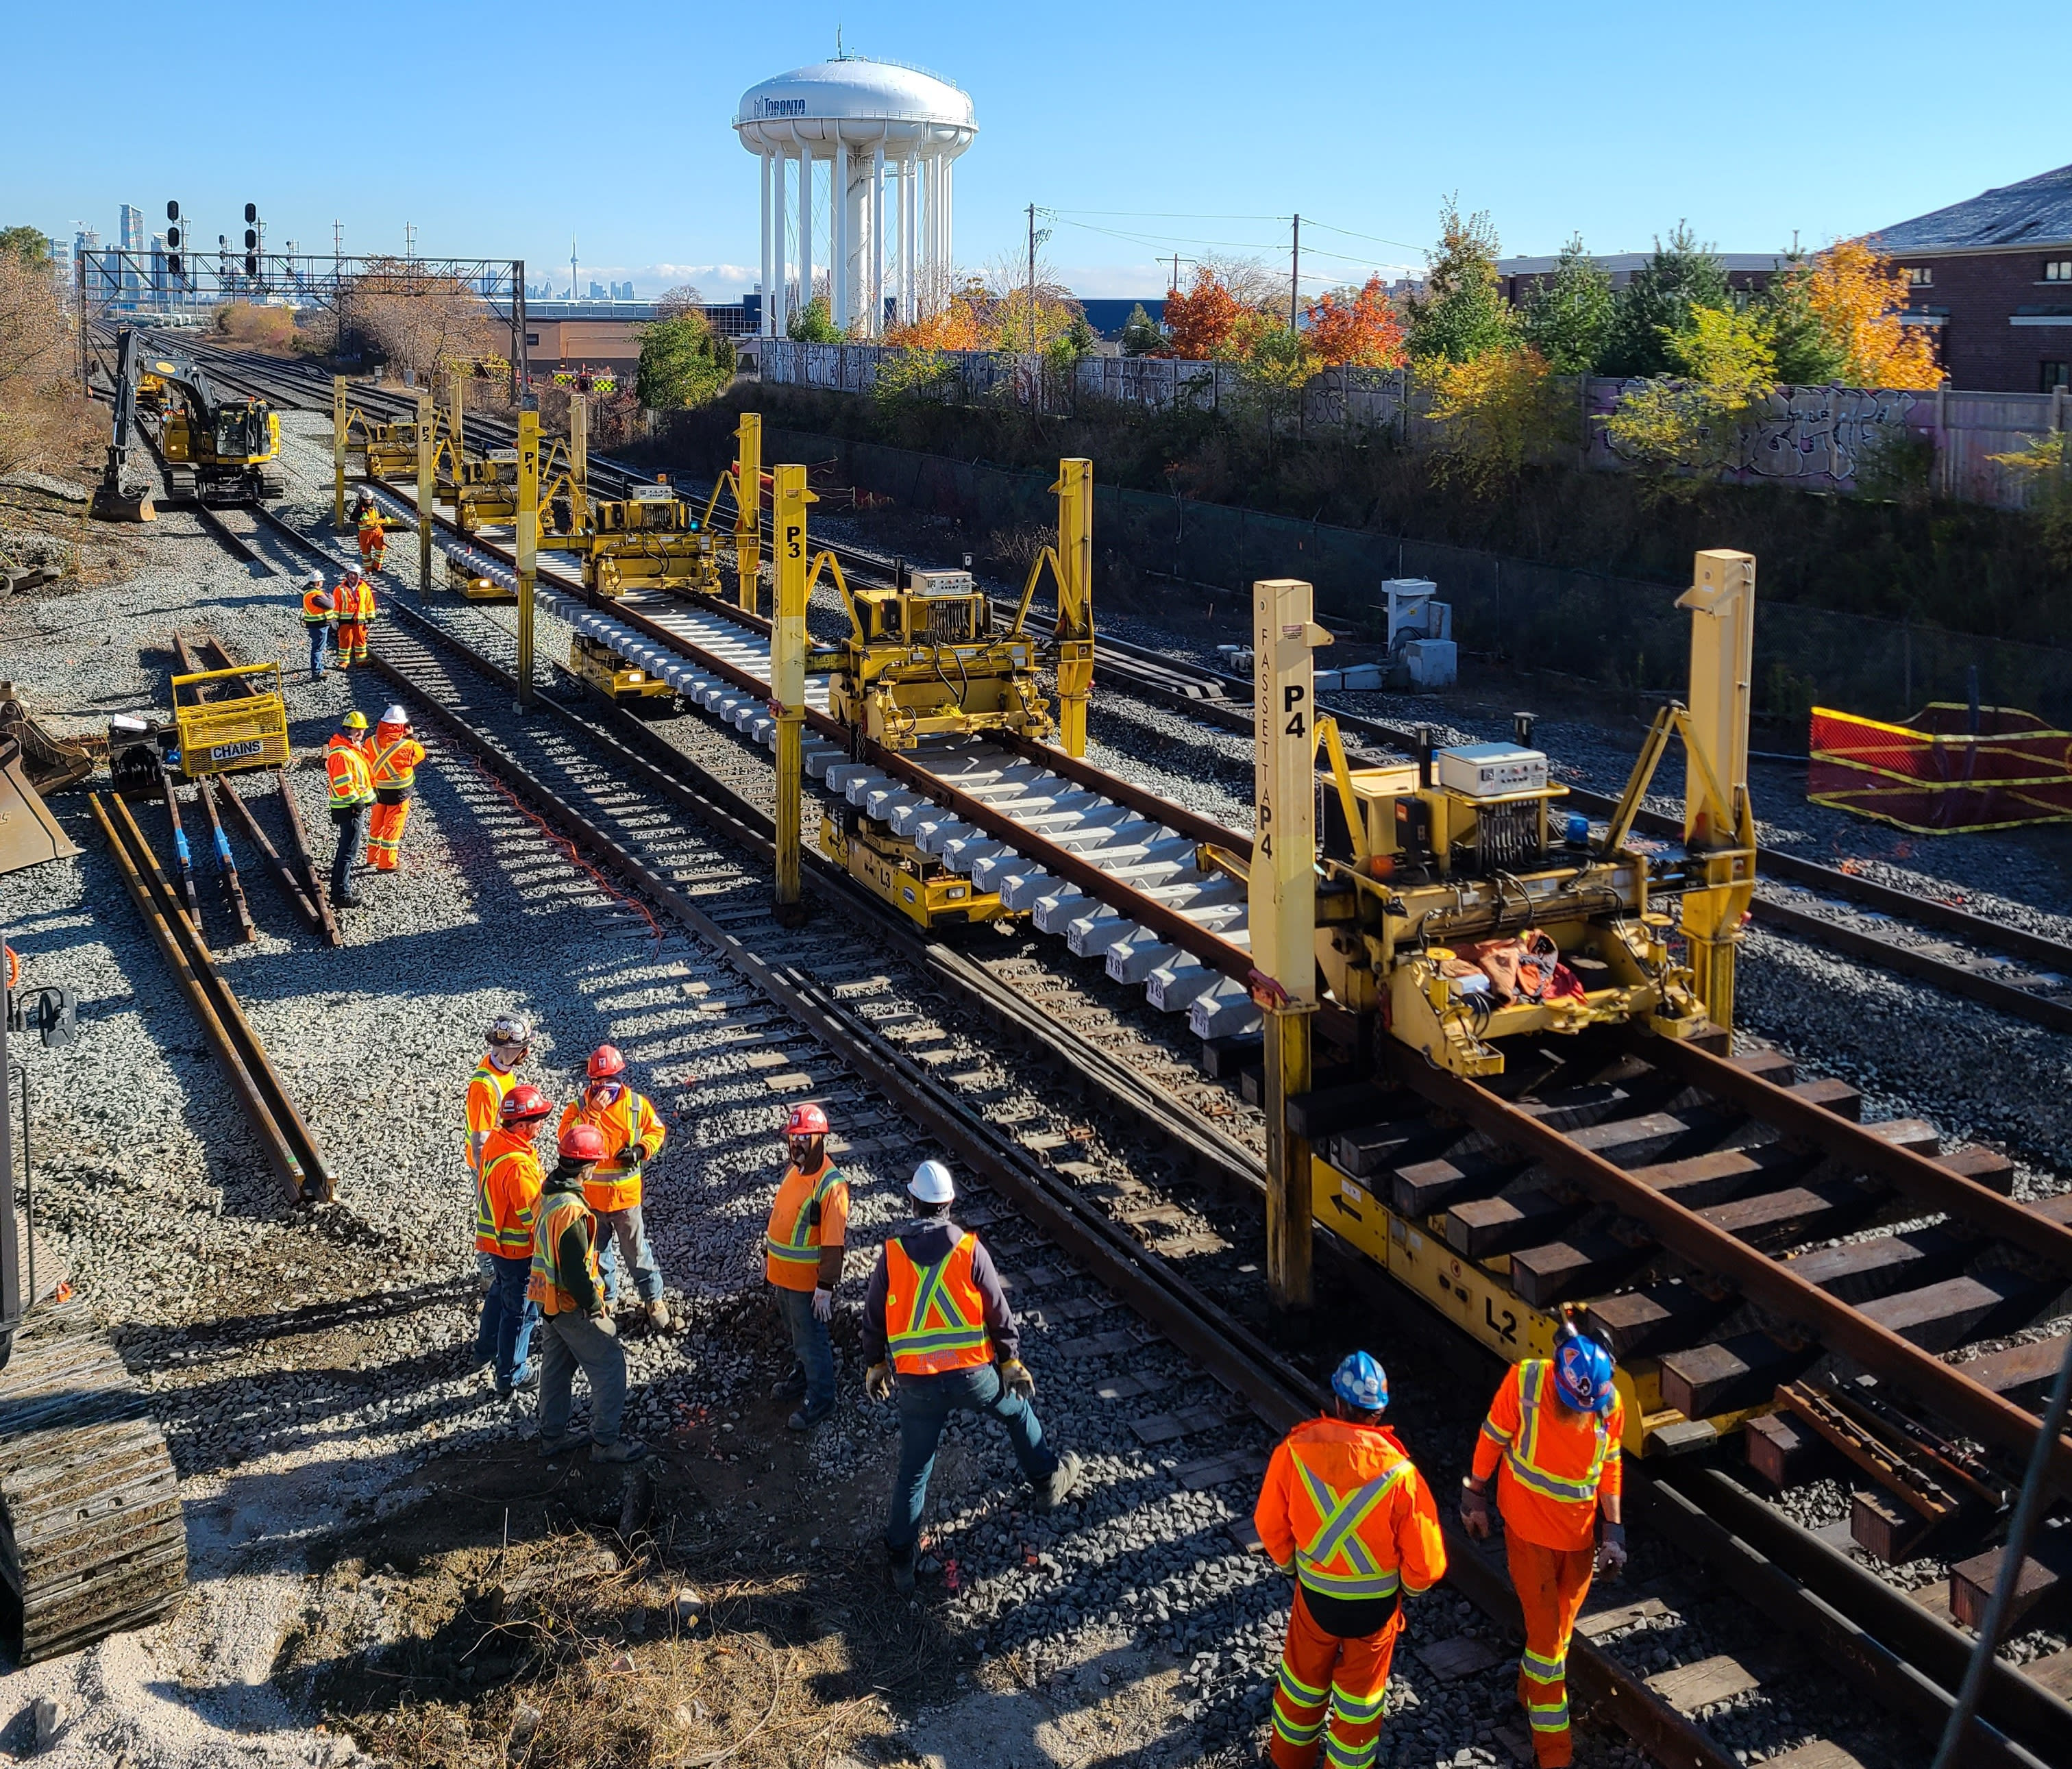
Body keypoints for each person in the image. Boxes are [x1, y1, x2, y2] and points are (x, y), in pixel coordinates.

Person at [863, 1159, 1082, 1592]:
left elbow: (872, 1319)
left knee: (914, 1472)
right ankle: (1047, 1483)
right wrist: (1010, 1360)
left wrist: (876, 1364)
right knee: (1017, 1413)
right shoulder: (969, 1249)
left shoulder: (891, 1255)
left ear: (913, 1202)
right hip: (972, 1377)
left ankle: (902, 1562)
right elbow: (998, 1311)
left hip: (918, 1385)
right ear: (948, 1204)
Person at [1254, 1352, 1447, 1769]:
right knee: (1360, 1707)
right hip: (1375, 1613)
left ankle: (1289, 1761)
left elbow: (1269, 1524)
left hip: (1316, 1601)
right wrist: (1405, 1591)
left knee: (1301, 1689)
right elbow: (1428, 1565)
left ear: (1338, 1403)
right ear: (1379, 1412)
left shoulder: (1294, 1451)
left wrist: (1293, 1569)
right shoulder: (1402, 1475)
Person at [1462, 1324, 1627, 1769]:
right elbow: (1493, 1435)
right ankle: (1555, 1755)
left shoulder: (1609, 1402)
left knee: (1560, 1633)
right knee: (1548, 1647)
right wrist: (1473, 1493)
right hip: (1529, 1534)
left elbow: (1610, 1462)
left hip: (1578, 1541)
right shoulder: (1527, 1381)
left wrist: (1614, 1530)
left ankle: (1526, 1694)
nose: (1579, 1412)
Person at [530, 1119, 648, 1463]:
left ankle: (552, 1437)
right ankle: (605, 1443)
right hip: (568, 1303)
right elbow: (576, 1273)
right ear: (588, 1166)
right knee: (610, 1364)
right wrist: (596, 1308)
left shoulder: (549, 1192)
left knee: (556, 1366)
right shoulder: (572, 1211)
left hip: (546, 1299)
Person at [559, 1044, 670, 1331]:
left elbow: (656, 1130)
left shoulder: (636, 1105)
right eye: (599, 1080)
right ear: (591, 1081)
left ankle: (653, 1297)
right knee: (598, 1254)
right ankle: (607, 1298)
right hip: (591, 1201)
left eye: (611, 1079)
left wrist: (641, 1150)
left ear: (621, 1076)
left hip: (626, 1199)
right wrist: (594, 1113)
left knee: (637, 1252)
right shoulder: (579, 1109)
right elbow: (567, 1137)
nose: (605, 1086)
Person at [762, 1102, 849, 1431]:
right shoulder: (794, 1172)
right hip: (783, 1277)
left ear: (820, 1139)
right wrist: (768, 1257)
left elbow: (833, 1243)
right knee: (798, 1335)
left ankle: (822, 1397)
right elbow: (782, 1220)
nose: (796, 1143)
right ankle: (804, 1374)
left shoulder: (831, 1185)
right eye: (793, 1137)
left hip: (805, 1285)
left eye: (804, 1137)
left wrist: (825, 1287)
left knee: (812, 1339)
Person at [473, 1082, 552, 1398]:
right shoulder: (518, 1167)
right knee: (522, 1311)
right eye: (538, 1119)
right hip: (518, 1249)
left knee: (499, 1294)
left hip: (497, 1244)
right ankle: (511, 1374)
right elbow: (532, 1217)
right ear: (521, 1126)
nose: (543, 1123)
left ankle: (485, 1349)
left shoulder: (498, 1141)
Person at [467, 1014, 533, 1176]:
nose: (527, 1052)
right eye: (523, 1048)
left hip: (501, 1155)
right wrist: (490, 1177)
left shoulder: (500, 1068)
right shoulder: (484, 1087)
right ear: (509, 1050)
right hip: (490, 1164)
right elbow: (480, 1142)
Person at [365, 705, 426, 874]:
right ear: (402, 726)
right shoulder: (409, 746)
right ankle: (387, 862)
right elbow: (421, 755)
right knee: (393, 826)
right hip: (398, 794)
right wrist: (411, 737)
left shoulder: (370, 742)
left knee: (377, 823)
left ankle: (372, 857)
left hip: (376, 792)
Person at [323, 710, 375, 909]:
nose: (362, 733)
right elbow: (344, 783)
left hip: (350, 807)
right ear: (348, 729)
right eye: (358, 730)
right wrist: (357, 803)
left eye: (363, 730)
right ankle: (342, 894)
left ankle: (341, 889)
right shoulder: (342, 754)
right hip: (349, 809)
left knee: (346, 851)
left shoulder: (349, 749)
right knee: (348, 852)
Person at [334, 571, 375, 670]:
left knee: (361, 641)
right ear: (347, 575)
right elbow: (336, 605)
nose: (352, 576)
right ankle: (343, 663)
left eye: (355, 574)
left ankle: (361, 661)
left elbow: (369, 603)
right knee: (345, 642)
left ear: (359, 576)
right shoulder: (339, 589)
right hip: (345, 621)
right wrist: (334, 619)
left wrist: (370, 618)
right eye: (350, 574)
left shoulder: (365, 588)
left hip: (360, 621)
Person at [299, 571, 334, 681]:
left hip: (315, 625)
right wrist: (329, 596)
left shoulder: (309, 593)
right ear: (318, 582)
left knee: (318, 647)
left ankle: (319, 668)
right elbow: (331, 605)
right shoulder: (315, 595)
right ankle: (317, 671)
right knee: (318, 648)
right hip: (319, 625)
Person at [355, 491, 388, 572]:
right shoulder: (360, 508)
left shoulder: (377, 506)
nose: (368, 502)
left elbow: (383, 514)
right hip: (366, 533)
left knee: (381, 549)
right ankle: (368, 569)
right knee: (366, 552)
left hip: (377, 531)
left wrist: (387, 518)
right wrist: (361, 519)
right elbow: (352, 518)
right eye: (366, 500)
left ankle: (377, 566)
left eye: (369, 500)